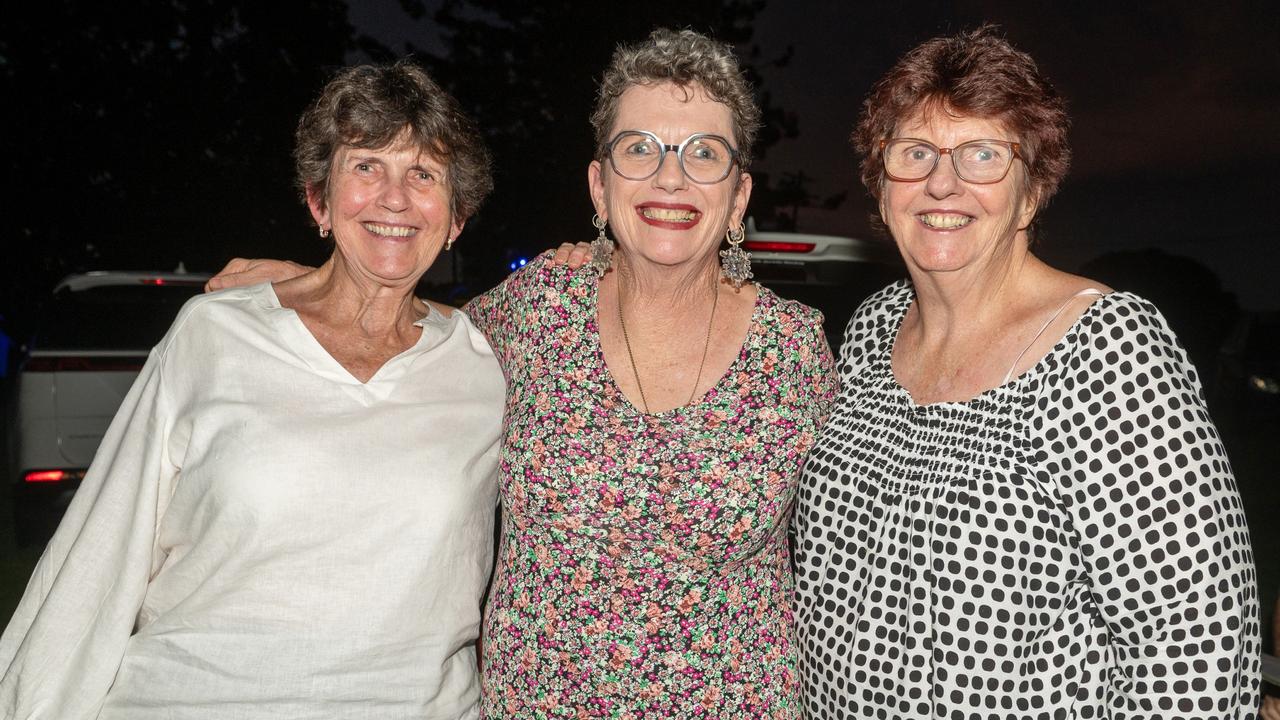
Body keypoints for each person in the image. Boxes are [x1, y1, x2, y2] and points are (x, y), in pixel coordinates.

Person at [208, 29, 837, 717]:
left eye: (704, 153)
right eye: (639, 148)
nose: (670, 177)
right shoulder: (539, 310)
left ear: (739, 195)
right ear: (600, 185)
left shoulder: (796, 351)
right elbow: (413, 333)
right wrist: (317, 281)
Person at [0, 60, 503, 718]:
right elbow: (101, 550)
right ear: (319, 200)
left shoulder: (486, 362)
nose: (395, 197)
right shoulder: (216, 335)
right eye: (366, 167)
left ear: (456, 218)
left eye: (424, 174)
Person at [792, 26, 1260, 718]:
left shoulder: (1107, 349)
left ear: (1033, 191)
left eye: (982, 154)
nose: (941, 182)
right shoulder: (873, 328)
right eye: (914, 153)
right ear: (881, 183)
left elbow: (1195, 654)